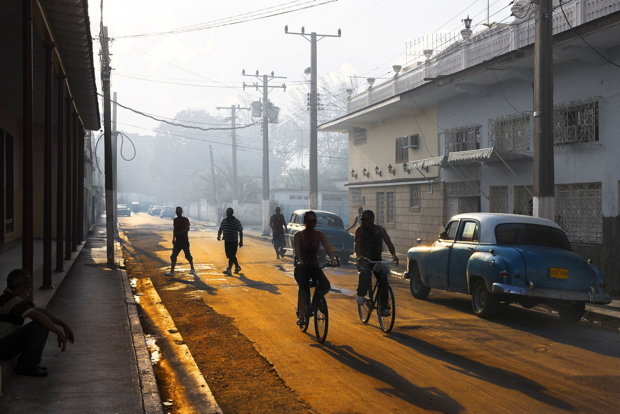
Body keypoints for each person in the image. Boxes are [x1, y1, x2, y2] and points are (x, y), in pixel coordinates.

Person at [0, 269, 74, 377]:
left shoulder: (13, 297)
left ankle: (28, 364)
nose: (30, 287)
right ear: (21, 286)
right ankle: (27, 366)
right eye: (29, 284)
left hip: (4, 342)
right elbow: (37, 316)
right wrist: (58, 332)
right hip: (2, 346)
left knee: (42, 323)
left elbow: (39, 311)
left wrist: (62, 325)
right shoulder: (13, 300)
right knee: (40, 326)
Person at [293, 210, 337, 326]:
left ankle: (313, 307)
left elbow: (328, 247)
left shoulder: (319, 235)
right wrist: (301, 261)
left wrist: (332, 259)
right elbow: (297, 252)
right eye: (309, 221)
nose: (311, 223)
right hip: (301, 268)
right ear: (305, 221)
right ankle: (302, 316)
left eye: (313, 221)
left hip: (314, 266)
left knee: (325, 286)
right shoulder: (298, 235)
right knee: (303, 288)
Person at [354, 209, 398, 316]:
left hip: (377, 259)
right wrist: (359, 256)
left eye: (366, 219)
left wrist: (394, 255)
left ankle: (383, 306)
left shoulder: (380, 230)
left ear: (373, 219)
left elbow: (389, 242)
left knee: (383, 280)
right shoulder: (359, 230)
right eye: (362, 219)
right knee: (365, 273)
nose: (364, 221)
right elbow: (357, 245)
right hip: (365, 260)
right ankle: (361, 294)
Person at [165, 206, 197, 276]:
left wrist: (180, 233)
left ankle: (192, 268)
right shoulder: (175, 220)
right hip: (178, 241)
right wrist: (173, 238)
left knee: (187, 255)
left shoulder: (185, 219)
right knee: (173, 256)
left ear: (181, 212)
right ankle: (172, 271)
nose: (178, 213)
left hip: (184, 240)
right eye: (177, 211)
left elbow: (187, 229)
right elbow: (175, 229)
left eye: (179, 211)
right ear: (176, 212)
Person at [217, 207, 243, 275]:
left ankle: (229, 269)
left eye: (229, 213)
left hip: (234, 241)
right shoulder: (224, 221)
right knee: (230, 255)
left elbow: (240, 231)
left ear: (232, 213)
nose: (228, 214)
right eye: (227, 213)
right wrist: (219, 235)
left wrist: (241, 241)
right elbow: (221, 228)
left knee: (232, 255)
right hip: (227, 241)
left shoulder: (236, 221)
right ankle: (237, 267)